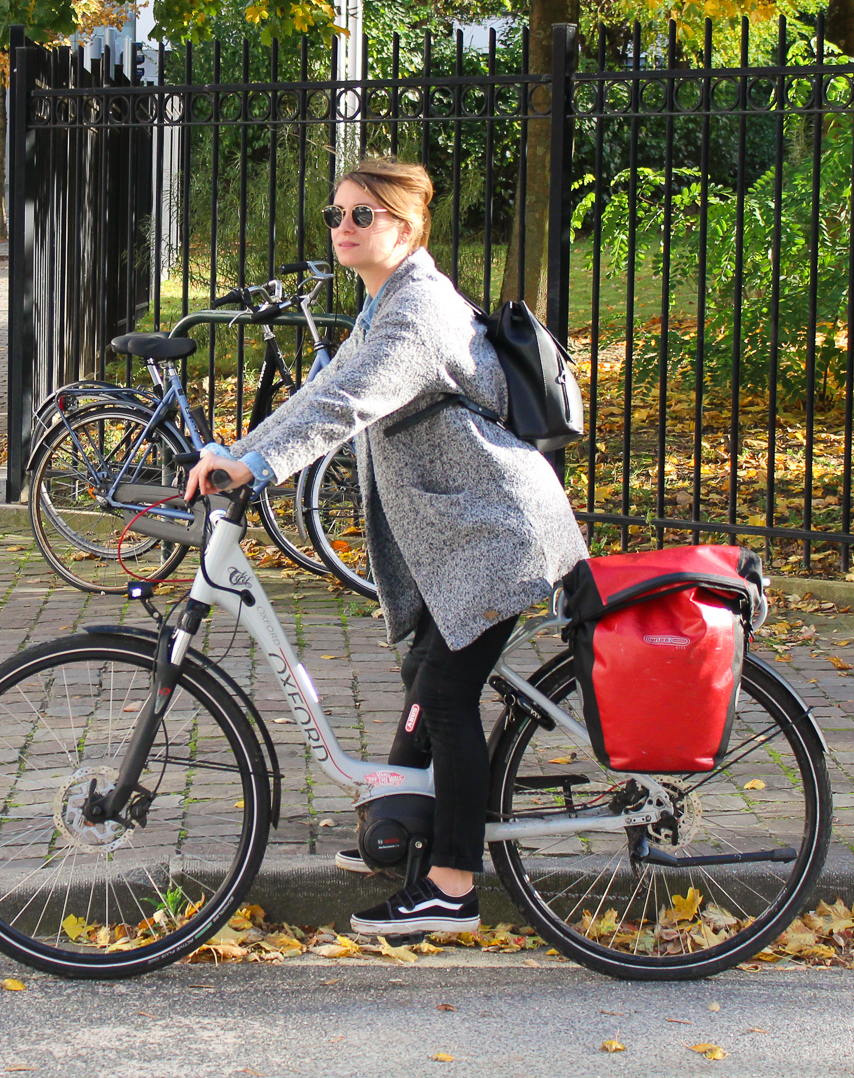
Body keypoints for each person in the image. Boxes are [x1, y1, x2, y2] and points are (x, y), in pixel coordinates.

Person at [182, 156, 586, 936]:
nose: (343, 228)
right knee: (423, 682)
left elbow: (348, 400)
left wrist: (256, 463)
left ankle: (452, 885)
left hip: (499, 537)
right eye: (335, 215)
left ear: (406, 226)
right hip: (467, 539)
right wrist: (245, 451)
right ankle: (405, 832)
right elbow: (319, 391)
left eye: (362, 215)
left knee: (445, 695)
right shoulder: (383, 304)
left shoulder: (417, 313)